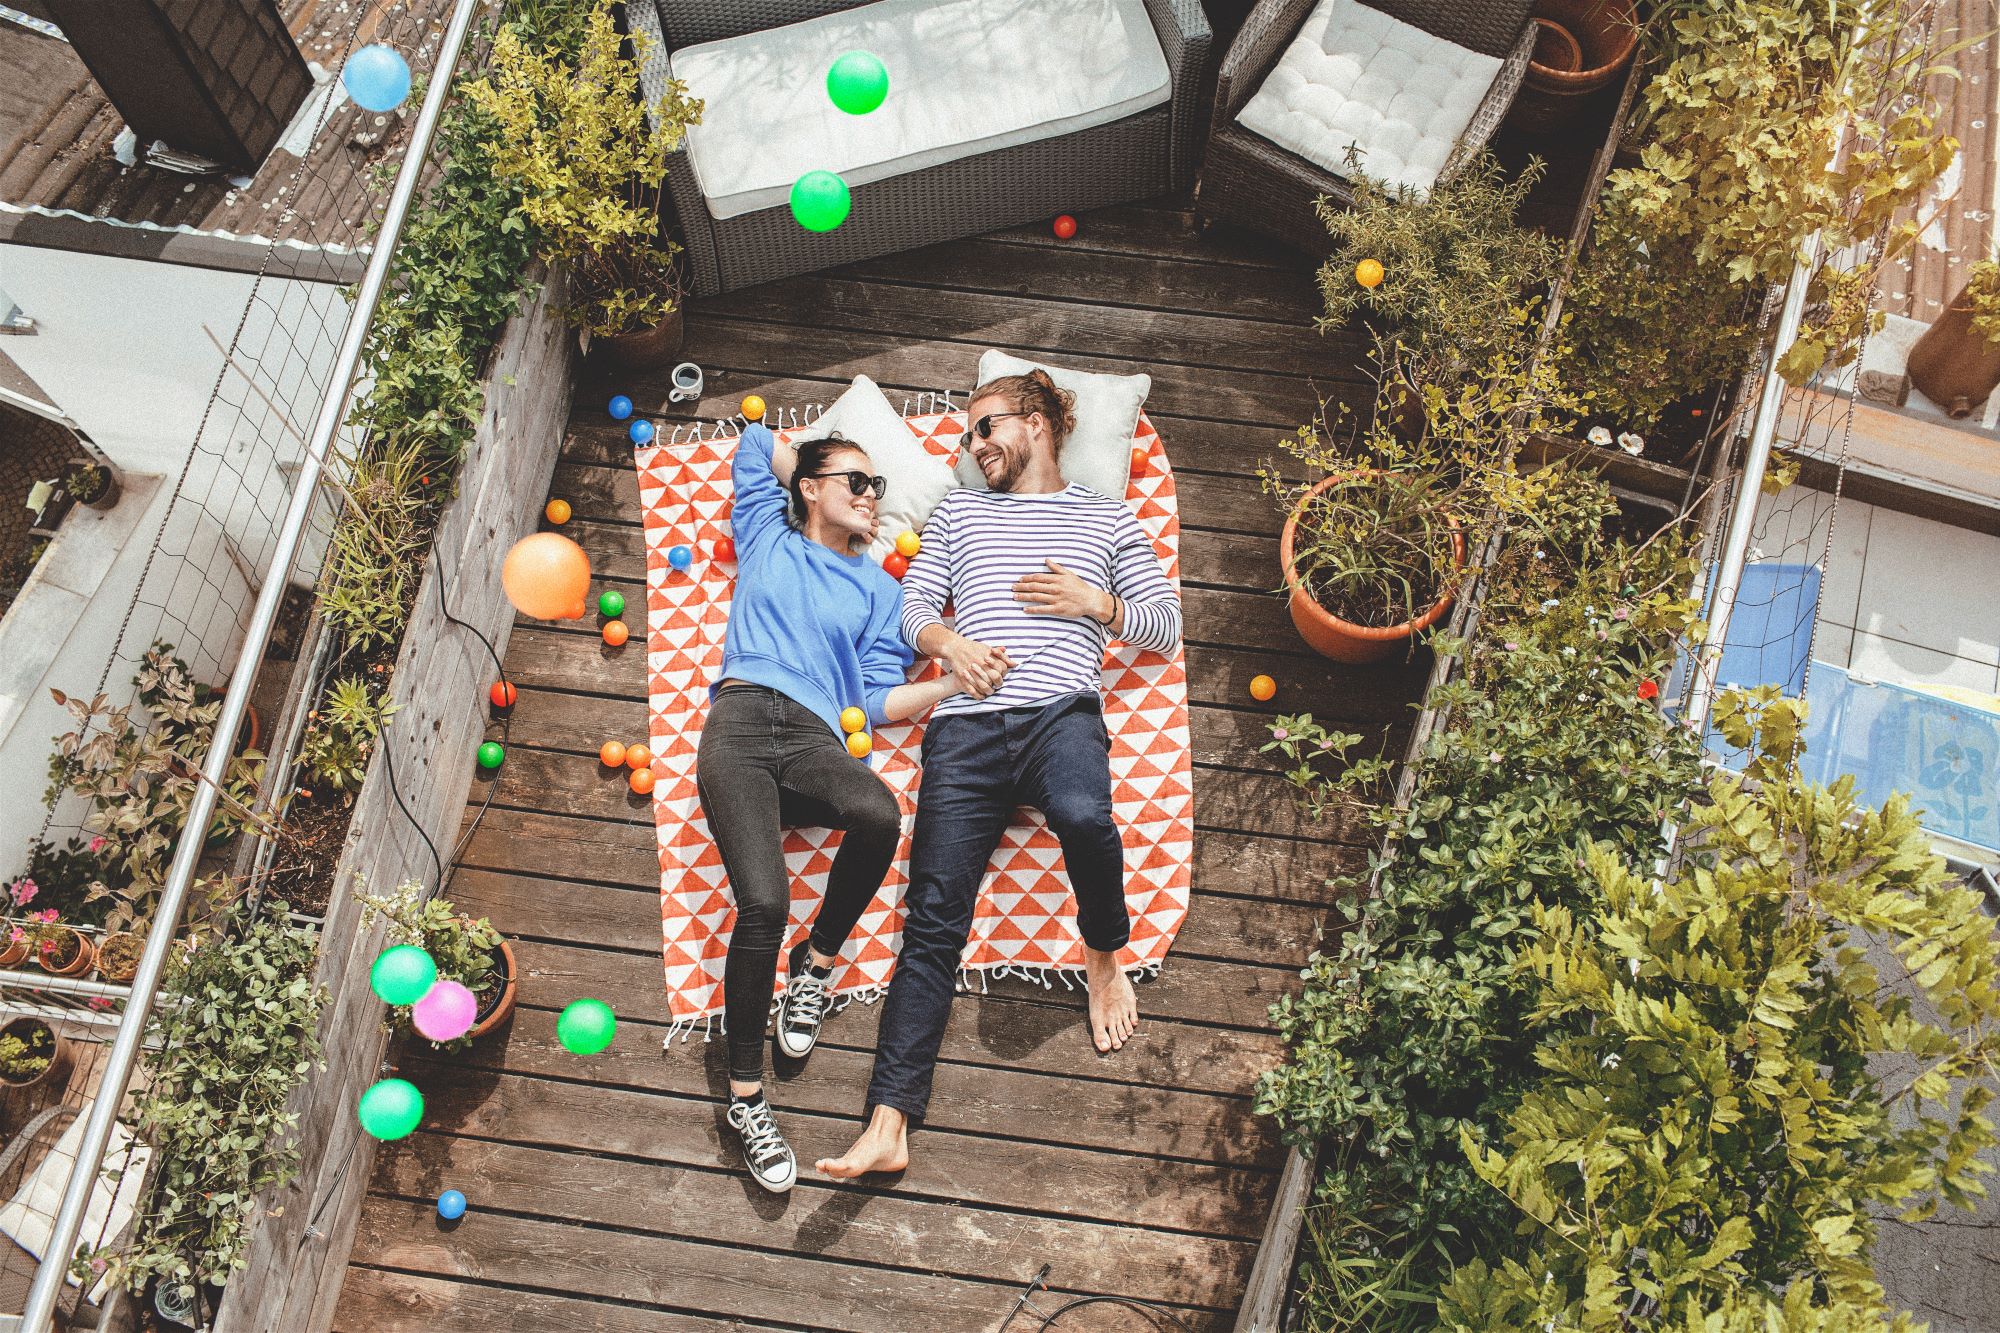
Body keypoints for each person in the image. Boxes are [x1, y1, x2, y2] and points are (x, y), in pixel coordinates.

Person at [817, 370, 1183, 1181]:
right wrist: (950, 648)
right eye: (967, 435)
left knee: (1087, 817)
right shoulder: (959, 512)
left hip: (1061, 716)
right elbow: (914, 607)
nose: (973, 446)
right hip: (968, 730)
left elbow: (1166, 627)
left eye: (986, 428)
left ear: (1040, 422)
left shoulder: (1105, 517)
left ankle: (1103, 952)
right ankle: (888, 1122)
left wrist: (1099, 602)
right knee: (933, 913)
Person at [697, 421, 962, 1194]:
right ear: (808, 489)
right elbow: (752, 438)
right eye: (859, 481)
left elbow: (877, 701)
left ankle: (816, 965)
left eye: (880, 487)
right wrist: (813, 472)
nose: (873, 497)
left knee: (879, 813)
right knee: (763, 902)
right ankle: (746, 1099)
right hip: (740, 727)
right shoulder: (767, 533)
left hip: (815, 739)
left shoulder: (882, 588)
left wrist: (950, 681)